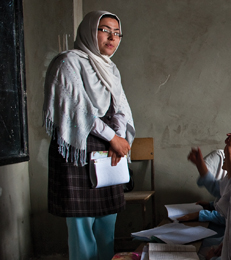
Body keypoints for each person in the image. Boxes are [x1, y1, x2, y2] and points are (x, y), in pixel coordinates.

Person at [43, 11, 135, 260]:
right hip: (79, 149)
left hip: (109, 150)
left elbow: (120, 108)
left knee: (107, 224)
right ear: (89, 30)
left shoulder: (111, 69)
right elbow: (77, 110)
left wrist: (119, 135)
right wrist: (113, 138)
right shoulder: (68, 62)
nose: (112, 37)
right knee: (81, 228)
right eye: (105, 29)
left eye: (117, 33)